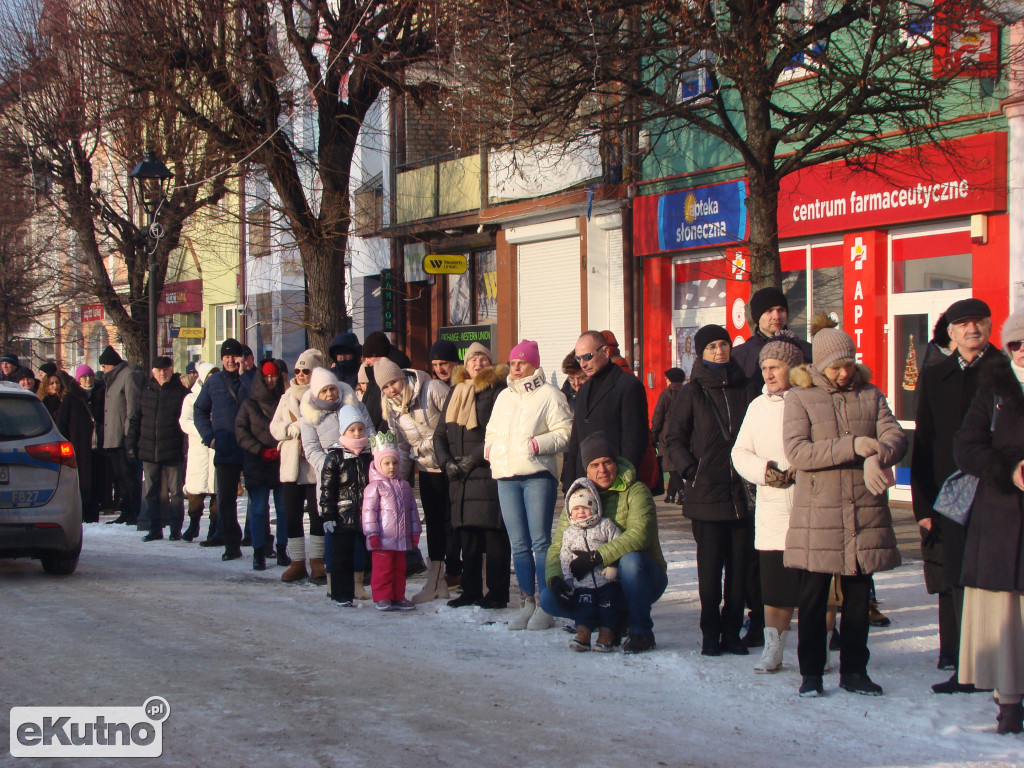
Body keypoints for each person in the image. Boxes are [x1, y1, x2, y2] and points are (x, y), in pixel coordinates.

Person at [784, 325, 906, 697]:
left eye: (848, 365)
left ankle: (855, 671)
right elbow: (798, 452)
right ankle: (811, 673)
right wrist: (854, 446)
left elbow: (895, 436)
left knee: (857, 597)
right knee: (813, 596)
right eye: (836, 367)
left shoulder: (871, 394)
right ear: (819, 366)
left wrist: (877, 457)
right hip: (818, 514)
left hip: (863, 511)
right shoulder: (800, 398)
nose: (844, 373)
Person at [911, 298, 999, 694]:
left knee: (998, 579)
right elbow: (925, 441)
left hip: (998, 492)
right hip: (949, 494)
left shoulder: (1006, 372)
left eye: (977, 322)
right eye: (962, 324)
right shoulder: (936, 375)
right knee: (956, 576)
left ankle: (1000, 664)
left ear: (989, 326)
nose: (971, 330)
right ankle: (962, 663)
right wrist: (923, 505)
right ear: (951, 332)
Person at [662, 324, 755, 656]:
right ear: (701, 353)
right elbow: (674, 438)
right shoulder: (692, 392)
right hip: (706, 492)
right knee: (710, 570)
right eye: (713, 346)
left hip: (742, 493)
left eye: (724, 345)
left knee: (740, 569)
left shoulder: (746, 388)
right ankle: (710, 634)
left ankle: (732, 632)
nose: (720, 351)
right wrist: (691, 470)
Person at [953, 309, 1024, 735]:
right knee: (1007, 616)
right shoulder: (993, 388)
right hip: (1002, 519)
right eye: (1016, 343)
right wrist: (1010, 470)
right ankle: (1010, 703)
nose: (1023, 351)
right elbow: (966, 446)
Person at [543, 433, 667, 653]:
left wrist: (596, 557)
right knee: (548, 598)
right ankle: (603, 619)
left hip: (640, 576)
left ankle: (641, 631)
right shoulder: (577, 498)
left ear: (615, 463)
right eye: (595, 464)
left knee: (631, 561)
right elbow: (558, 546)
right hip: (594, 586)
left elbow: (639, 535)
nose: (602, 470)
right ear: (587, 470)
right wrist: (555, 578)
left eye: (607, 462)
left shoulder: (636, 492)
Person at [485, 339, 573, 630]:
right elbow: (492, 430)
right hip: (506, 476)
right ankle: (526, 602)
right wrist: (491, 450)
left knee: (540, 543)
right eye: (513, 363)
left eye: (522, 362)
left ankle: (546, 605)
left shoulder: (550, 395)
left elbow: (565, 432)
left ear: (534, 363)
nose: (517, 368)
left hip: (537, 474)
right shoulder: (504, 397)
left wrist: (537, 444)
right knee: (518, 544)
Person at [731, 331, 804, 673]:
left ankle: (818, 648)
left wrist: (802, 471)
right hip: (772, 504)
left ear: (793, 367)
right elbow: (740, 451)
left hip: (809, 503)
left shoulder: (811, 400)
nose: (769, 374)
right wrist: (765, 471)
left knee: (817, 581)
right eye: (765, 368)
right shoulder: (757, 406)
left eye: (776, 367)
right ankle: (774, 648)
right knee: (774, 584)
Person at [433, 342, 511, 609]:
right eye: (473, 360)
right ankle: (471, 590)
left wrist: (471, 460)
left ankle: (498, 593)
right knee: (468, 538)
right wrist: (446, 463)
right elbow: (440, 433)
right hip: (460, 478)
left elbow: (498, 431)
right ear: (465, 366)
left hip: (487, 472)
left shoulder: (498, 390)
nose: (477, 364)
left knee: (494, 535)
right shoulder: (455, 391)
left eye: (483, 359)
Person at [375, 357, 455, 602]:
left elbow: (455, 421)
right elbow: (401, 446)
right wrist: (397, 479)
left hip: (451, 466)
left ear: (402, 376)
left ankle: (465, 575)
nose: (392, 389)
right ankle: (436, 580)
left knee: (457, 524)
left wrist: (455, 458)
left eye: (394, 382)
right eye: (386, 387)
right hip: (427, 470)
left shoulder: (432, 388)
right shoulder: (392, 409)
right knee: (434, 524)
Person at [300, 366, 374, 588]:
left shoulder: (354, 405)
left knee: (359, 530)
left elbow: (368, 432)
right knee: (334, 534)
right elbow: (311, 449)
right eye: (324, 391)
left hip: (359, 476)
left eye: (332, 388)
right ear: (316, 393)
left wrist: (358, 460)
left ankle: (358, 581)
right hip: (331, 482)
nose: (330, 394)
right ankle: (334, 581)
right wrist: (334, 467)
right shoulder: (309, 416)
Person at [561, 330, 650, 492]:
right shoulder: (583, 390)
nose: (583, 364)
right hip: (585, 483)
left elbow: (634, 440)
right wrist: (570, 484)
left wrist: (622, 480)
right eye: (578, 358)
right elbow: (576, 440)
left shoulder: (628, 386)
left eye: (588, 356)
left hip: (615, 482)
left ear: (605, 352)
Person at [193, 338, 251, 562]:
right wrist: (209, 437)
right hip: (225, 447)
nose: (229, 360)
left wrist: (244, 372)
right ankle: (231, 543)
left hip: (248, 446)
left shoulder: (248, 380)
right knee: (226, 499)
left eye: (233, 356)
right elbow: (199, 410)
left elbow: (259, 400)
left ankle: (258, 541)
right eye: (226, 356)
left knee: (257, 497)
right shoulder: (214, 382)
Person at [271, 349, 325, 581]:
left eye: (306, 371)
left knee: (317, 514)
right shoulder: (286, 396)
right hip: (292, 464)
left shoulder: (321, 395)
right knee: (292, 514)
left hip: (313, 465)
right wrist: (288, 429)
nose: (301, 375)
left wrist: (303, 424)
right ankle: (296, 562)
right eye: (297, 371)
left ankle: (317, 561)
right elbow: (274, 427)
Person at [126, 357, 189, 541]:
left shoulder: (181, 393)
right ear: (153, 372)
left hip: (173, 449)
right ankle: (154, 528)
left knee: (176, 492)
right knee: (151, 491)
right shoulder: (145, 392)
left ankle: (175, 529)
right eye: (159, 370)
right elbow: (135, 421)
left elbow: (184, 424)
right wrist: (131, 445)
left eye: (166, 370)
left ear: (171, 370)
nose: (163, 373)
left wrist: (185, 449)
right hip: (148, 450)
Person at [559, 478, 623, 652]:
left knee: (608, 610)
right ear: (570, 513)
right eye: (576, 509)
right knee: (583, 610)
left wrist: (614, 565)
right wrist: (568, 579)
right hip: (582, 584)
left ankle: (606, 635)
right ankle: (583, 634)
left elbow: (618, 544)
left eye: (586, 508)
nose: (581, 512)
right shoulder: (569, 533)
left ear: (595, 508)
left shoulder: (605, 525)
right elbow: (565, 556)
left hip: (606, 581)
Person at [319, 405, 372, 605]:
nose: (357, 433)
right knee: (341, 557)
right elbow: (327, 489)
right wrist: (328, 515)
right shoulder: (335, 456)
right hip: (342, 515)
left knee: (363, 556)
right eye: (352, 430)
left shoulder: (369, 454)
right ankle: (341, 593)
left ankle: (358, 587)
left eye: (360, 429)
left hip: (364, 515)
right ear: (343, 431)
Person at [235, 360, 286, 570]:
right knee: (257, 509)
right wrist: (260, 450)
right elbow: (240, 432)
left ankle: (282, 549)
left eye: (273, 376)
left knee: (283, 510)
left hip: (281, 462)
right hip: (257, 462)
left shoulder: (285, 401)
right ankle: (258, 551)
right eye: (266, 376)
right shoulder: (249, 404)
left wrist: (282, 449)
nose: (270, 380)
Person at [362, 431, 421, 611]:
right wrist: (372, 533)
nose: (391, 467)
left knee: (399, 570)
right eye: (386, 463)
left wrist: (415, 531)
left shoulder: (405, 486)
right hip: (382, 540)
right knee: (383, 569)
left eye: (395, 463)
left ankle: (398, 595)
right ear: (378, 464)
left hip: (401, 539)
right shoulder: (374, 488)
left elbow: (412, 510)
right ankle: (382, 596)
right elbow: (368, 513)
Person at [37, 371, 94, 518]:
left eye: (57, 383)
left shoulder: (68, 399)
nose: (55, 386)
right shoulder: (43, 403)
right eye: (51, 383)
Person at [99, 345, 144, 526]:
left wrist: (129, 434)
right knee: (120, 477)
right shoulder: (111, 378)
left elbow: (132, 406)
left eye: (104, 366)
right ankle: (125, 510)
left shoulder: (128, 375)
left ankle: (133, 511)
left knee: (128, 476)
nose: (103, 369)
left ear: (111, 364)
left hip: (123, 435)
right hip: (112, 436)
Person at [730, 287, 812, 385]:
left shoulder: (807, 351)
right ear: (757, 316)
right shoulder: (739, 356)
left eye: (781, 310)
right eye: (769, 311)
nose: (776, 316)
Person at [179, 363, 219, 544]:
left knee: (217, 490)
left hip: (217, 446)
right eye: (209, 375)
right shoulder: (191, 398)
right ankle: (193, 523)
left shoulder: (222, 395)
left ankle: (214, 527)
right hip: (199, 449)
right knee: (195, 491)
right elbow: (185, 421)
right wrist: (203, 430)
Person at [360, 331, 412, 432]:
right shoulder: (373, 377)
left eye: (370, 357)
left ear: (381, 355)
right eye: (365, 358)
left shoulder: (395, 376)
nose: (367, 361)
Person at [75, 364, 107, 523]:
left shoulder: (101, 395)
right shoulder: (72, 397)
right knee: (81, 483)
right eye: (84, 377)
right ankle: (81, 514)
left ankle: (94, 514)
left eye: (90, 376)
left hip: (98, 447)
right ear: (78, 379)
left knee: (96, 482)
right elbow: (64, 423)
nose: (88, 379)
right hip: (79, 449)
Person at [651, 368, 686, 504]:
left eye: (667, 378)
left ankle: (683, 492)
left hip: (667, 435)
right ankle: (670, 495)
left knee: (670, 466)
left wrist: (653, 434)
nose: (665, 380)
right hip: (684, 433)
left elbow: (658, 417)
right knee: (675, 464)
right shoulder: (687, 393)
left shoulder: (666, 395)